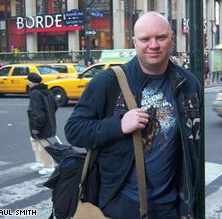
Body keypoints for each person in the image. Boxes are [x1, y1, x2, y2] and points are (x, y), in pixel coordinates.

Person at [65, 11, 202, 219]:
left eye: (161, 37)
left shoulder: (188, 84)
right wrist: (118, 126)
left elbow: (193, 151)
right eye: (145, 39)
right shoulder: (108, 82)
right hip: (118, 203)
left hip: (169, 207)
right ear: (135, 42)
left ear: (172, 39)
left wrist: (186, 207)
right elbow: (74, 131)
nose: (153, 45)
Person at [27, 73, 58, 175]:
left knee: (43, 145)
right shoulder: (47, 90)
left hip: (40, 123)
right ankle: (40, 162)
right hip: (48, 121)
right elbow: (55, 105)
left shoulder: (35, 93)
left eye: (27, 81)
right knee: (35, 141)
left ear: (31, 83)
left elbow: (38, 111)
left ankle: (48, 166)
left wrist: (37, 126)